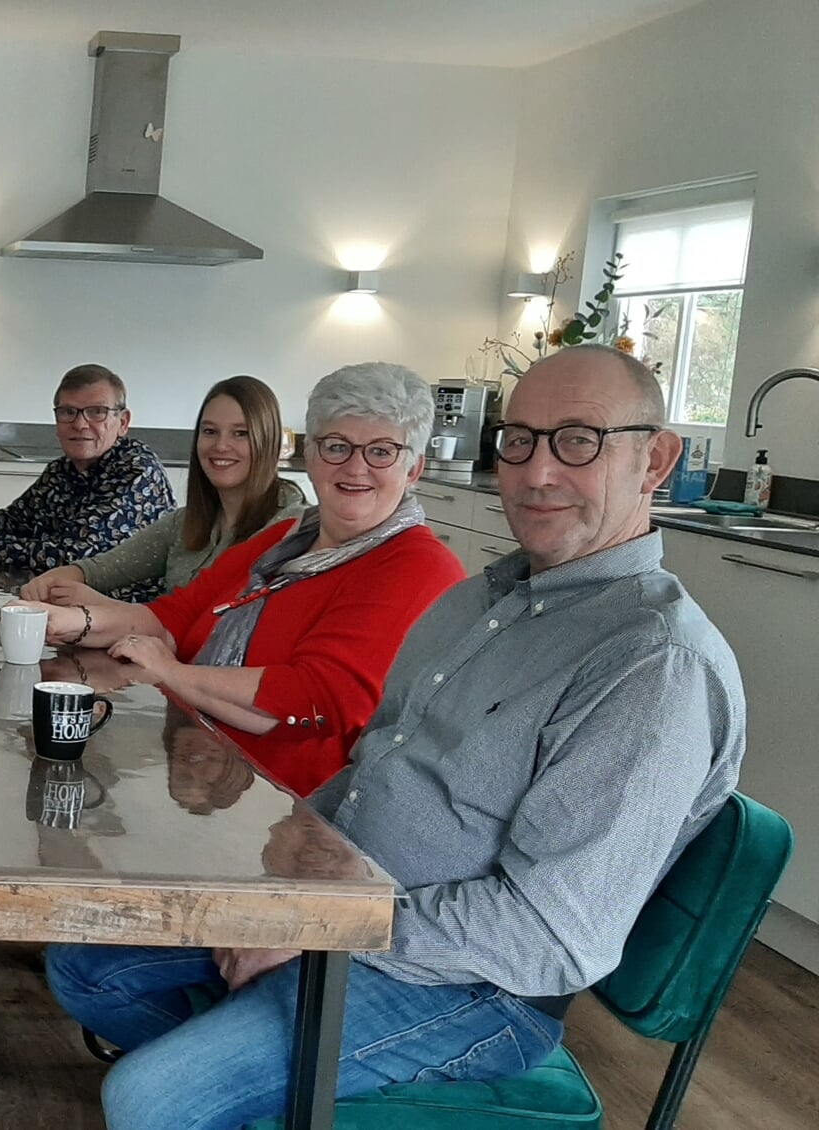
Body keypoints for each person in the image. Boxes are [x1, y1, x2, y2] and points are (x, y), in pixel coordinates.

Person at [46, 345, 742, 1130]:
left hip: (469, 985)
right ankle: (265, 1090)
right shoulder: (479, 600)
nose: (538, 471)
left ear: (656, 459)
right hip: (352, 898)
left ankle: (229, 1085)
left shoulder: (653, 664)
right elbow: (371, 767)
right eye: (519, 439)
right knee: (87, 966)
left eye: (578, 439)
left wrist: (320, 931)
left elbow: (550, 934)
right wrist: (278, 889)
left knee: (148, 1098)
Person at [10, 362, 463, 797]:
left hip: (292, 812)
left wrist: (172, 673)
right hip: (203, 755)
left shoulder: (417, 567)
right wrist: (65, 622)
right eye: (337, 446)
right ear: (310, 455)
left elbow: (312, 703)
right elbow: (176, 615)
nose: (355, 467)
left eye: (381, 451)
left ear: (414, 469)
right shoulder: (288, 536)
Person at [22, 375, 306, 604]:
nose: (220, 446)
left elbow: (208, 616)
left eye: (240, 433)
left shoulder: (291, 526)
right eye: (209, 431)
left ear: (268, 441)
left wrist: (99, 607)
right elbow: (103, 568)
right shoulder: (186, 522)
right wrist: (48, 583)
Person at [0, 365, 177, 600]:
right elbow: (16, 520)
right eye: (68, 412)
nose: (80, 424)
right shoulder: (61, 470)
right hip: (64, 602)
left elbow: (74, 558)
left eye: (97, 412)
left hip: (130, 618)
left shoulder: (137, 470)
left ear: (122, 422)